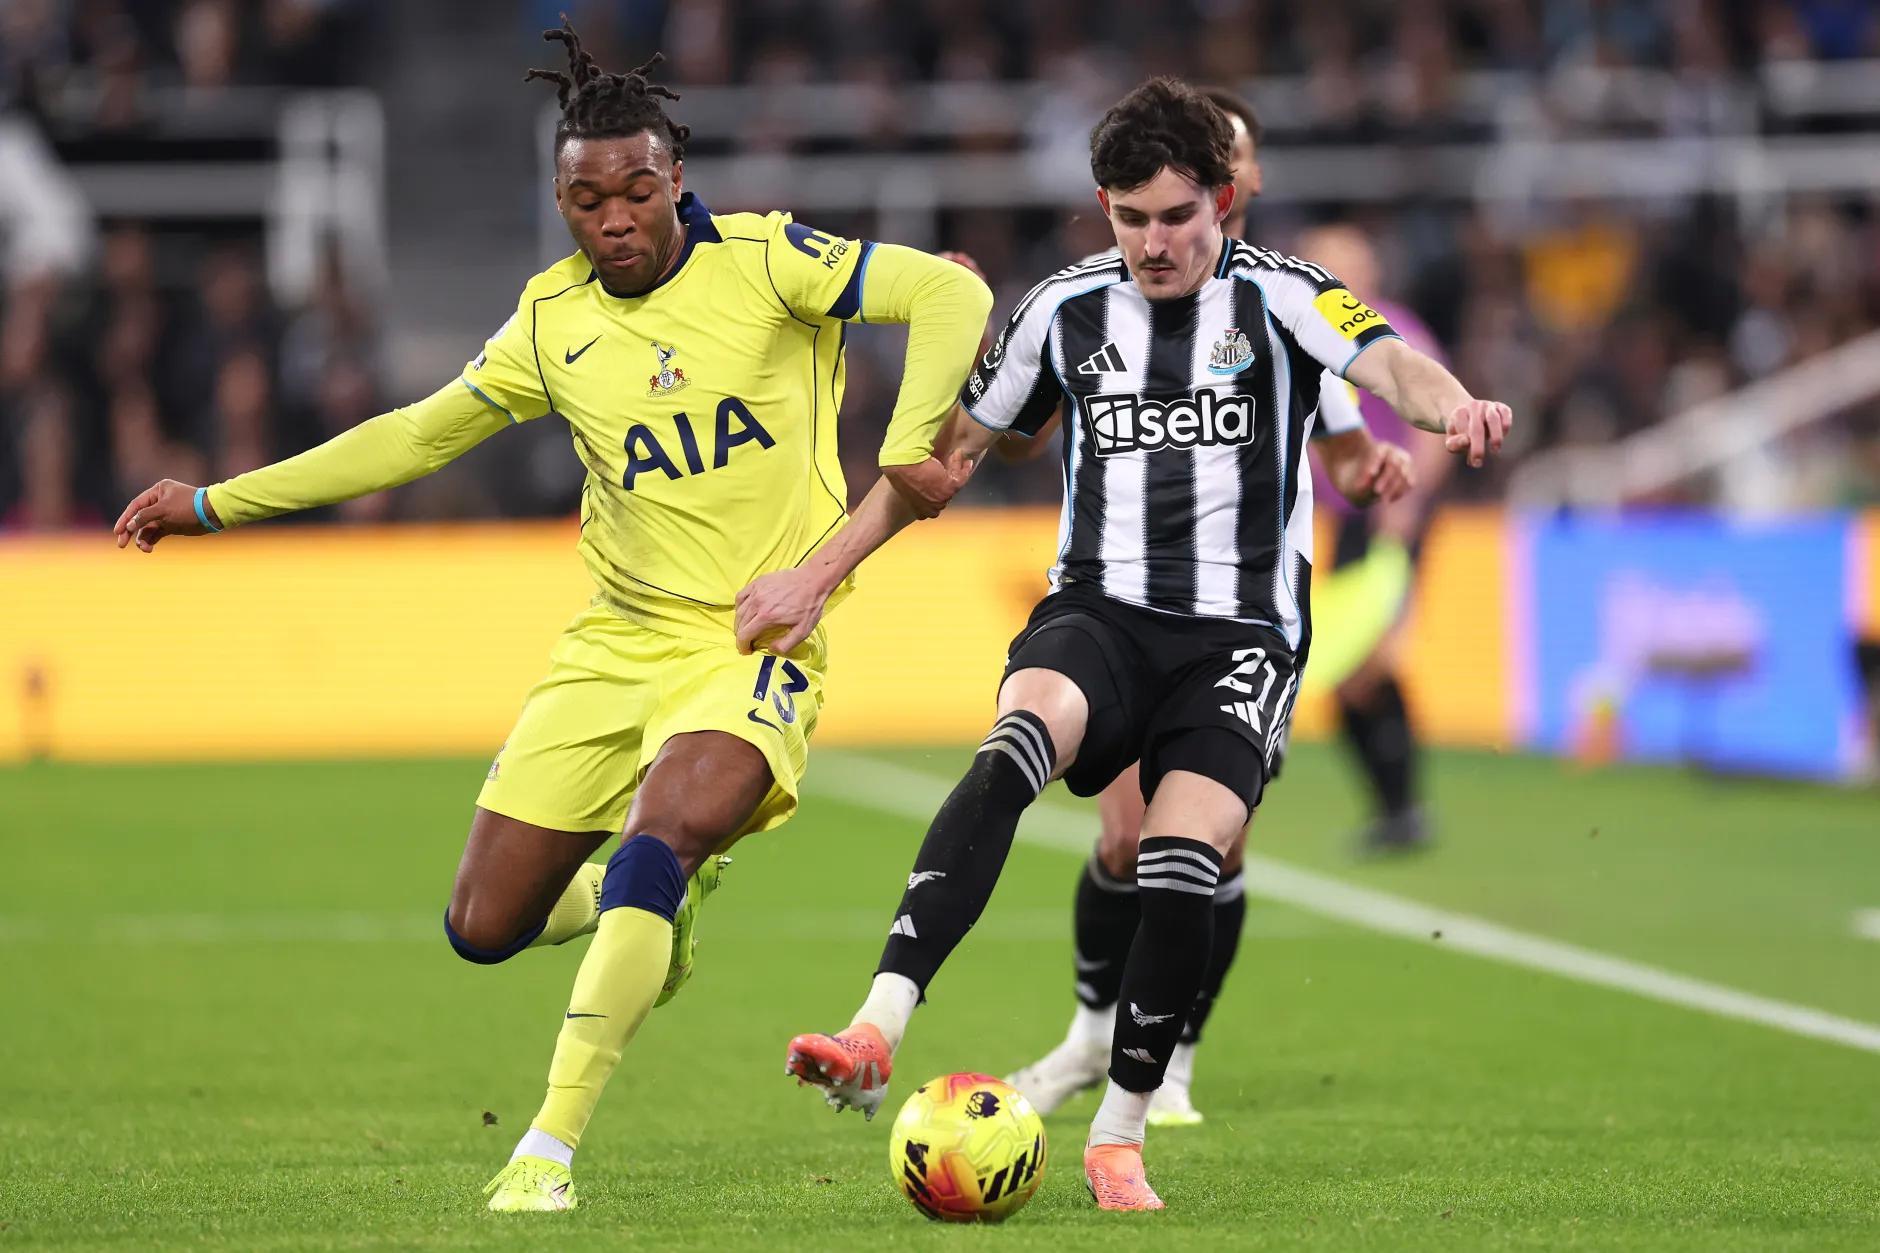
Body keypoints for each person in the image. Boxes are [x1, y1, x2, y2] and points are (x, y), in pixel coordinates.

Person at [109, 21, 992, 1214]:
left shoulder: (769, 260)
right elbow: (416, 434)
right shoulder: (549, 321)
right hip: (614, 641)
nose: (614, 217)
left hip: (751, 641)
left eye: (636, 190)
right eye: (587, 199)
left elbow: (950, 290)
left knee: (655, 843)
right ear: (560, 200)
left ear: (674, 176)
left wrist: (902, 448)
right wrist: (219, 500)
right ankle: (658, 911)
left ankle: (546, 1147)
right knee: (483, 924)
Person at [774, 76, 1510, 1211]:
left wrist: (1451, 404)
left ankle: (1119, 1131)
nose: (1153, 243)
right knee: (1014, 743)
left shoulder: (1287, 296)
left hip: (1239, 636)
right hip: (1101, 611)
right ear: (1101, 208)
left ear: (1224, 200)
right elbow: (959, 454)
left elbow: (1388, 366)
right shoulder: (1060, 308)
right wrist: (819, 572)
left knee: (1182, 853)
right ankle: (876, 1025)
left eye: (1175, 216)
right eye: (1129, 218)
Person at [999, 87, 1415, 1129]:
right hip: (1126, 608)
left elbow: (1345, 440)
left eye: (1225, 157)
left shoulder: (1291, 308)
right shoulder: (1111, 301)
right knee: (1122, 838)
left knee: (1206, 848)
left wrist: (1368, 468)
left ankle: (1171, 1052)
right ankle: (1091, 1033)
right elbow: (1034, 424)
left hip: (1243, 619)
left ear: (1240, 180)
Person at [1297, 222, 1453, 855]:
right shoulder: (1305, 336)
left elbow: (1436, 421)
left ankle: (1404, 808)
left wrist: (1409, 504)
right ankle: (1397, 810)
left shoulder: (1394, 331)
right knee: (1344, 670)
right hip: (1348, 520)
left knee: (1368, 664)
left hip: (1392, 514)